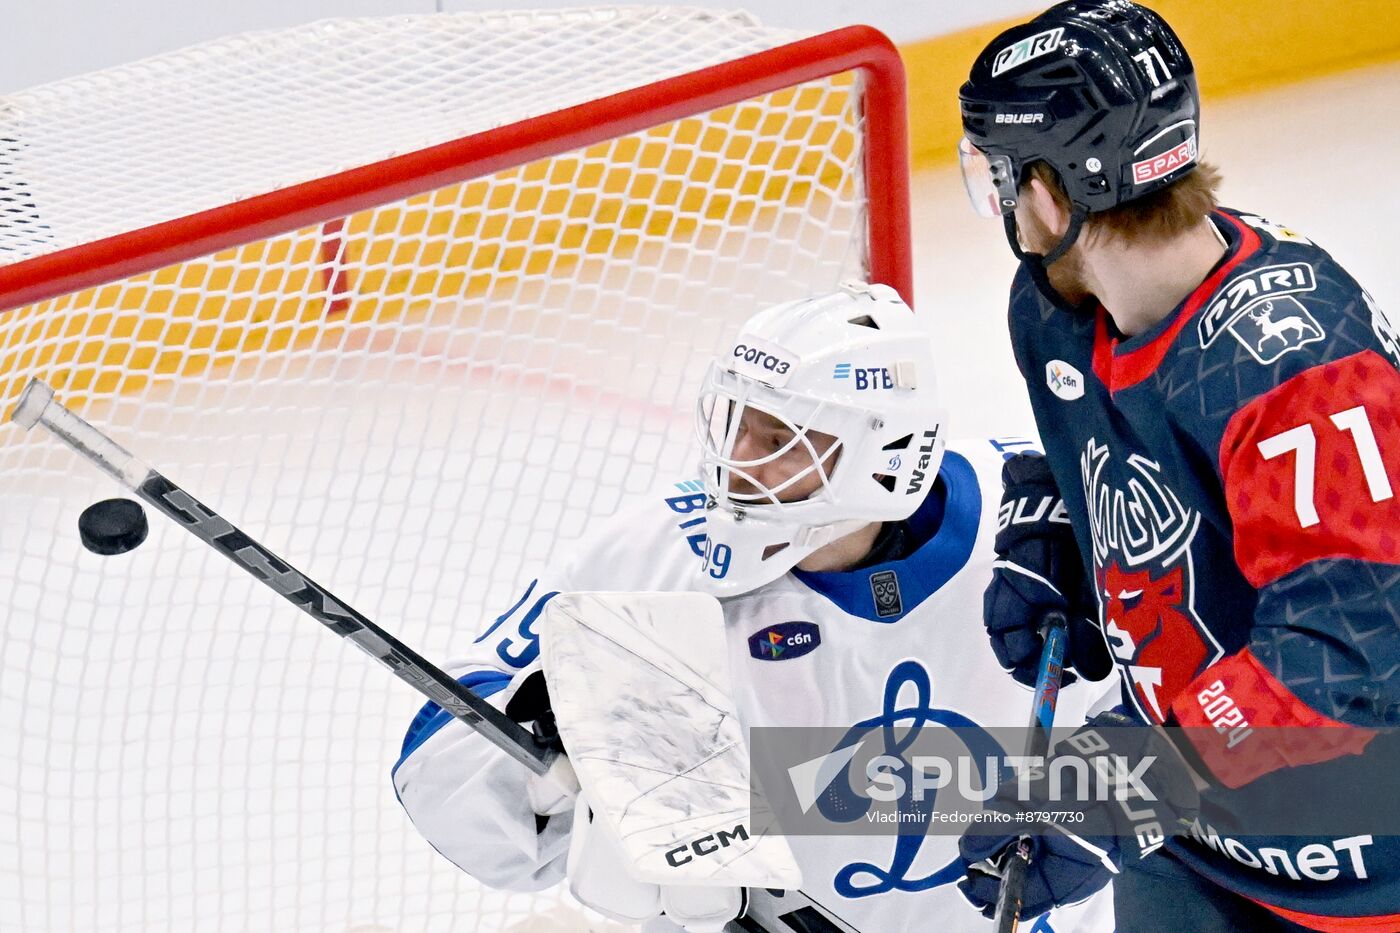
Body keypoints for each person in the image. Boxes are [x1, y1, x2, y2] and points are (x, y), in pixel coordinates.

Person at [392, 282, 1114, 931]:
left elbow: (1215, 726)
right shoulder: (661, 558)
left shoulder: (1043, 525)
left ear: (883, 456)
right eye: (736, 424)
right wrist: (554, 739)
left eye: (778, 441)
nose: (736, 462)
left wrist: (1112, 806)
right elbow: (436, 754)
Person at [955, 2, 1400, 931]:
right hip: (1195, 854)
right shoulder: (1057, 309)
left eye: (999, 174)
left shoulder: (1296, 363)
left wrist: (1123, 782)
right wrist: (1063, 527)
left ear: (1048, 192)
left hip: (1366, 876)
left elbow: (1349, 652)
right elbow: (1127, 446)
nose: (998, 204)